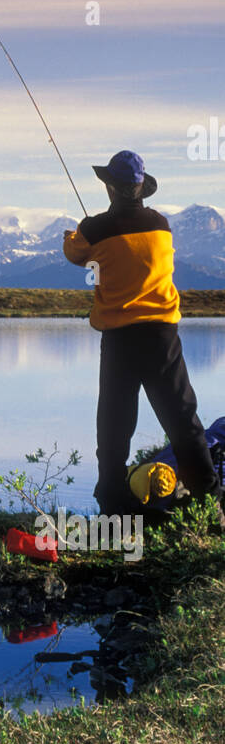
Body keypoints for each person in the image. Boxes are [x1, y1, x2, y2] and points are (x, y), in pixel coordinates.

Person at [62, 149, 223, 519]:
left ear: (110, 188)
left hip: (119, 340)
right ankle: (209, 503)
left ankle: (113, 502)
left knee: (115, 423)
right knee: (182, 419)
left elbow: (75, 253)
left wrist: (78, 231)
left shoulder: (93, 229)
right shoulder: (161, 225)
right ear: (139, 189)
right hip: (162, 336)